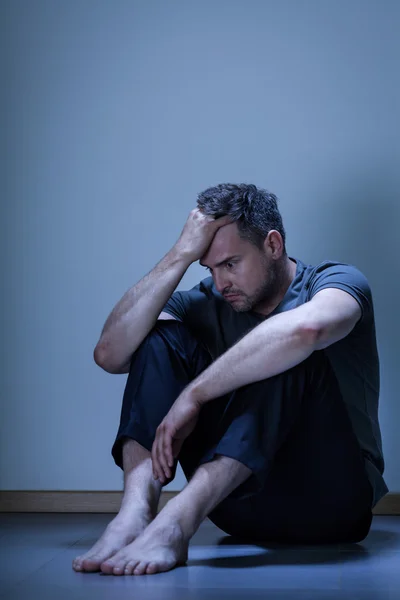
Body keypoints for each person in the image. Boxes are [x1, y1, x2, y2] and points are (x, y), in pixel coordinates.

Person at [72, 183, 387, 577]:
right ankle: (135, 515)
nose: (221, 283)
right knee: (158, 338)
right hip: (236, 507)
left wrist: (195, 394)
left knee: (290, 350)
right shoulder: (210, 301)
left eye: (231, 264)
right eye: (210, 268)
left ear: (273, 245)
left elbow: (306, 330)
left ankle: (175, 524)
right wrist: (180, 255)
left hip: (331, 504)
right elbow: (110, 353)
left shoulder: (335, 281)